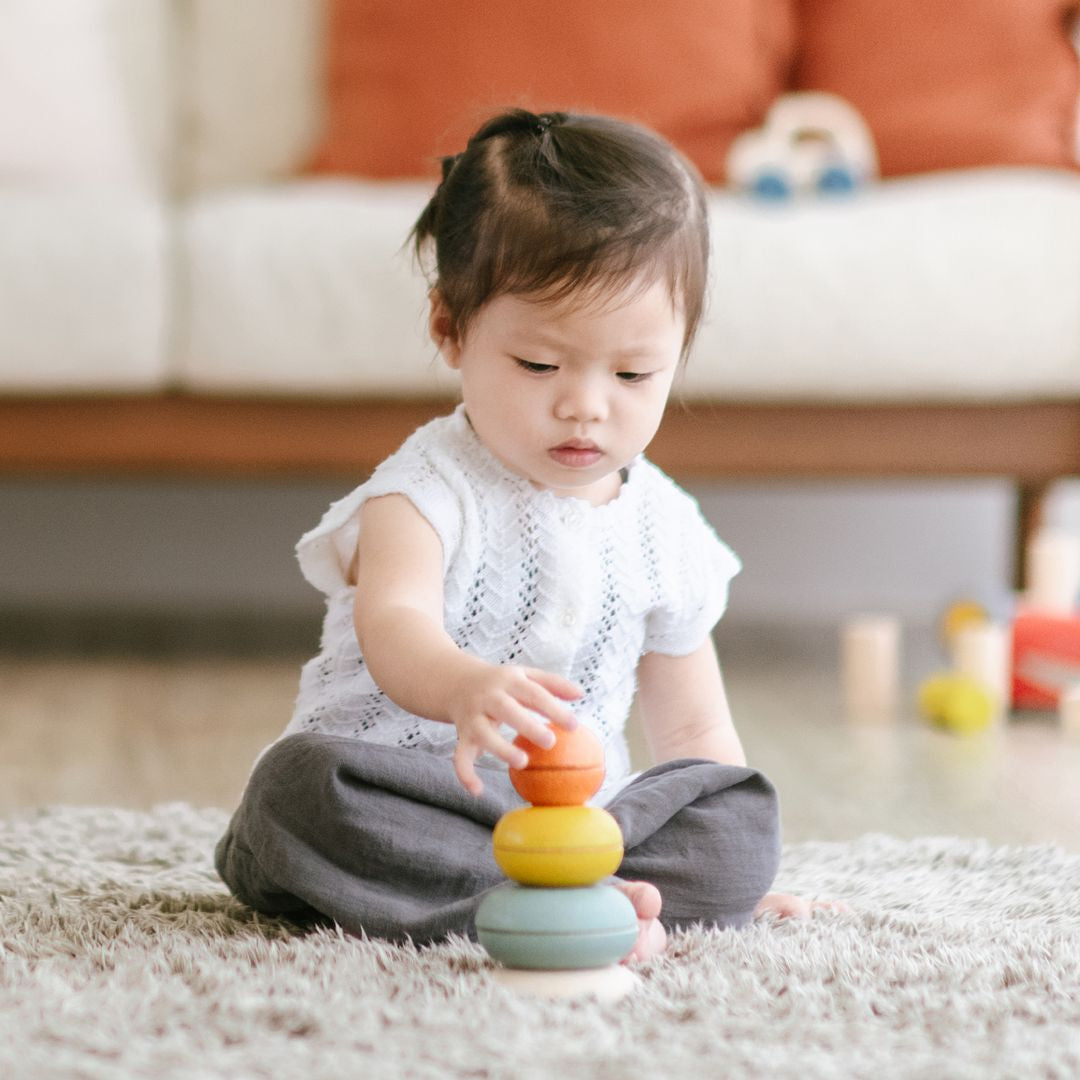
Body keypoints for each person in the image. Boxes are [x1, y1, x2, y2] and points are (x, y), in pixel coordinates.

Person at [215, 108, 830, 963]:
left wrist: (748, 872)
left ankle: (568, 895)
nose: (585, 403)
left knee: (735, 809)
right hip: (413, 800)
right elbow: (393, 625)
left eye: (633, 373)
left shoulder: (667, 530)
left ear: (678, 354)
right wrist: (465, 687)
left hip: (579, 825)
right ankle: (521, 904)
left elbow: (693, 734)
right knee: (299, 791)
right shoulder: (426, 492)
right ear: (450, 329)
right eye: (540, 365)